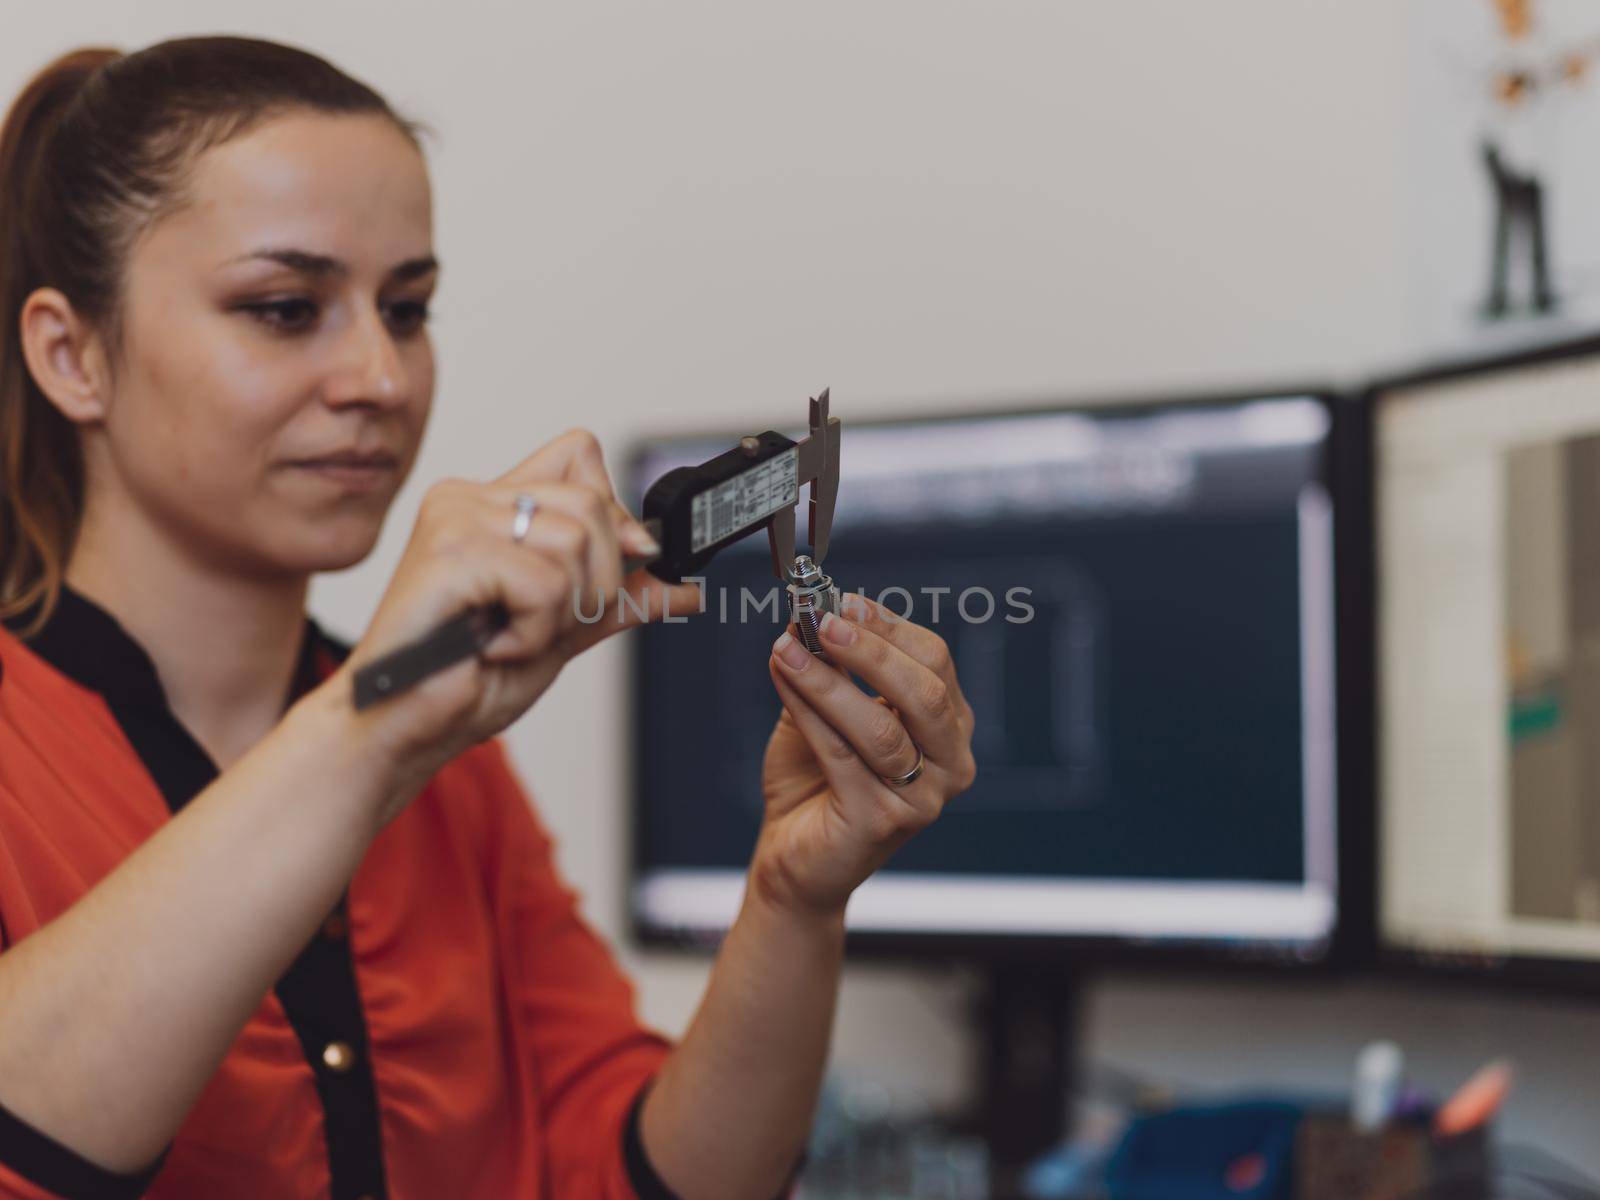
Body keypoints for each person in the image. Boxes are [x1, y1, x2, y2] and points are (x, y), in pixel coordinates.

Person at [0, 36, 976, 1200]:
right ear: (71, 356)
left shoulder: (448, 772)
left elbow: (640, 1174)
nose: (381, 375)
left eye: (406, 309)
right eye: (283, 306)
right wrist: (372, 723)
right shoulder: (398, 729)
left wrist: (793, 899)